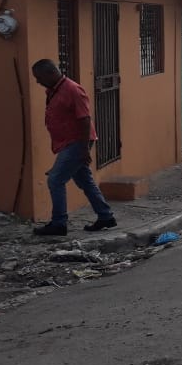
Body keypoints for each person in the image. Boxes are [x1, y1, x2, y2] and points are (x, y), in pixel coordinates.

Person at [30, 59, 117, 236]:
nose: (38, 82)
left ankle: (59, 223)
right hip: (67, 142)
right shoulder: (54, 90)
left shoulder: (72, 89)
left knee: (55, 179)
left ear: (50, 73)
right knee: (84, 180)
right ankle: (105, 216)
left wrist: (84, 149)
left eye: (39, 77)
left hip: (77, 141)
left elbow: (84, 119)